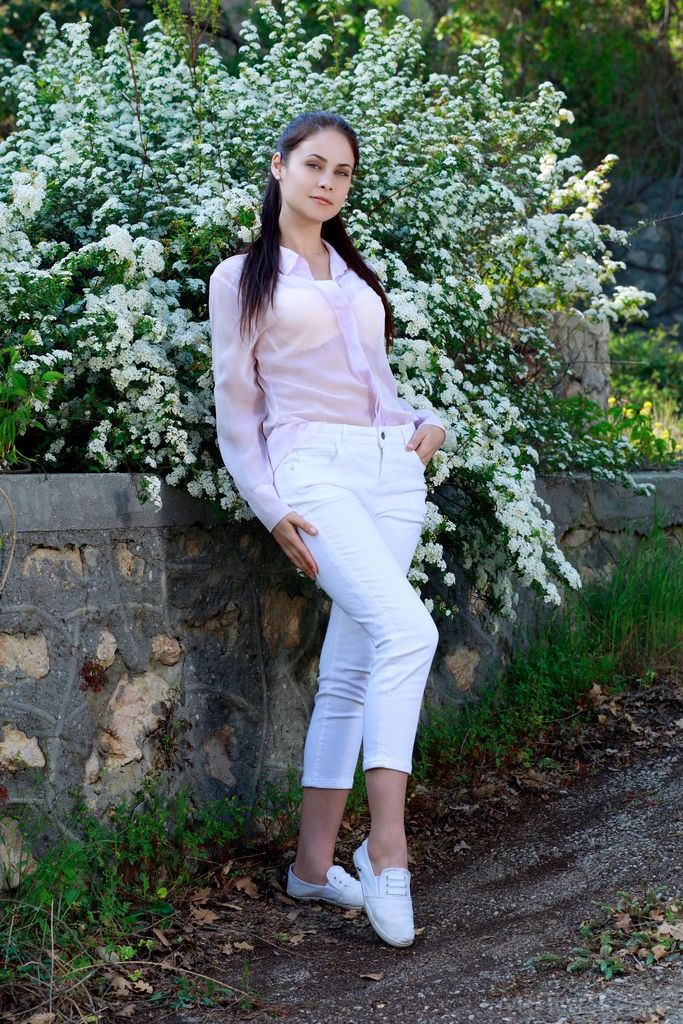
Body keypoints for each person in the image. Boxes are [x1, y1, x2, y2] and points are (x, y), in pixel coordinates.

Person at [209, 111, 445, 948]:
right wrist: (270, 507)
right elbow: (237, 409)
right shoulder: (241, 278)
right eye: (314, 165)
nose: (328, 183)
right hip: (314, 473)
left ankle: (312, 869)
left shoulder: (352, 274)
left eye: (342, 172)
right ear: (279, 166)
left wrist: (426, 419)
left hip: (391, 472)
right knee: (409, 632)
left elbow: (375, 383)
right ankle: (387, 850)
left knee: (354, 663)